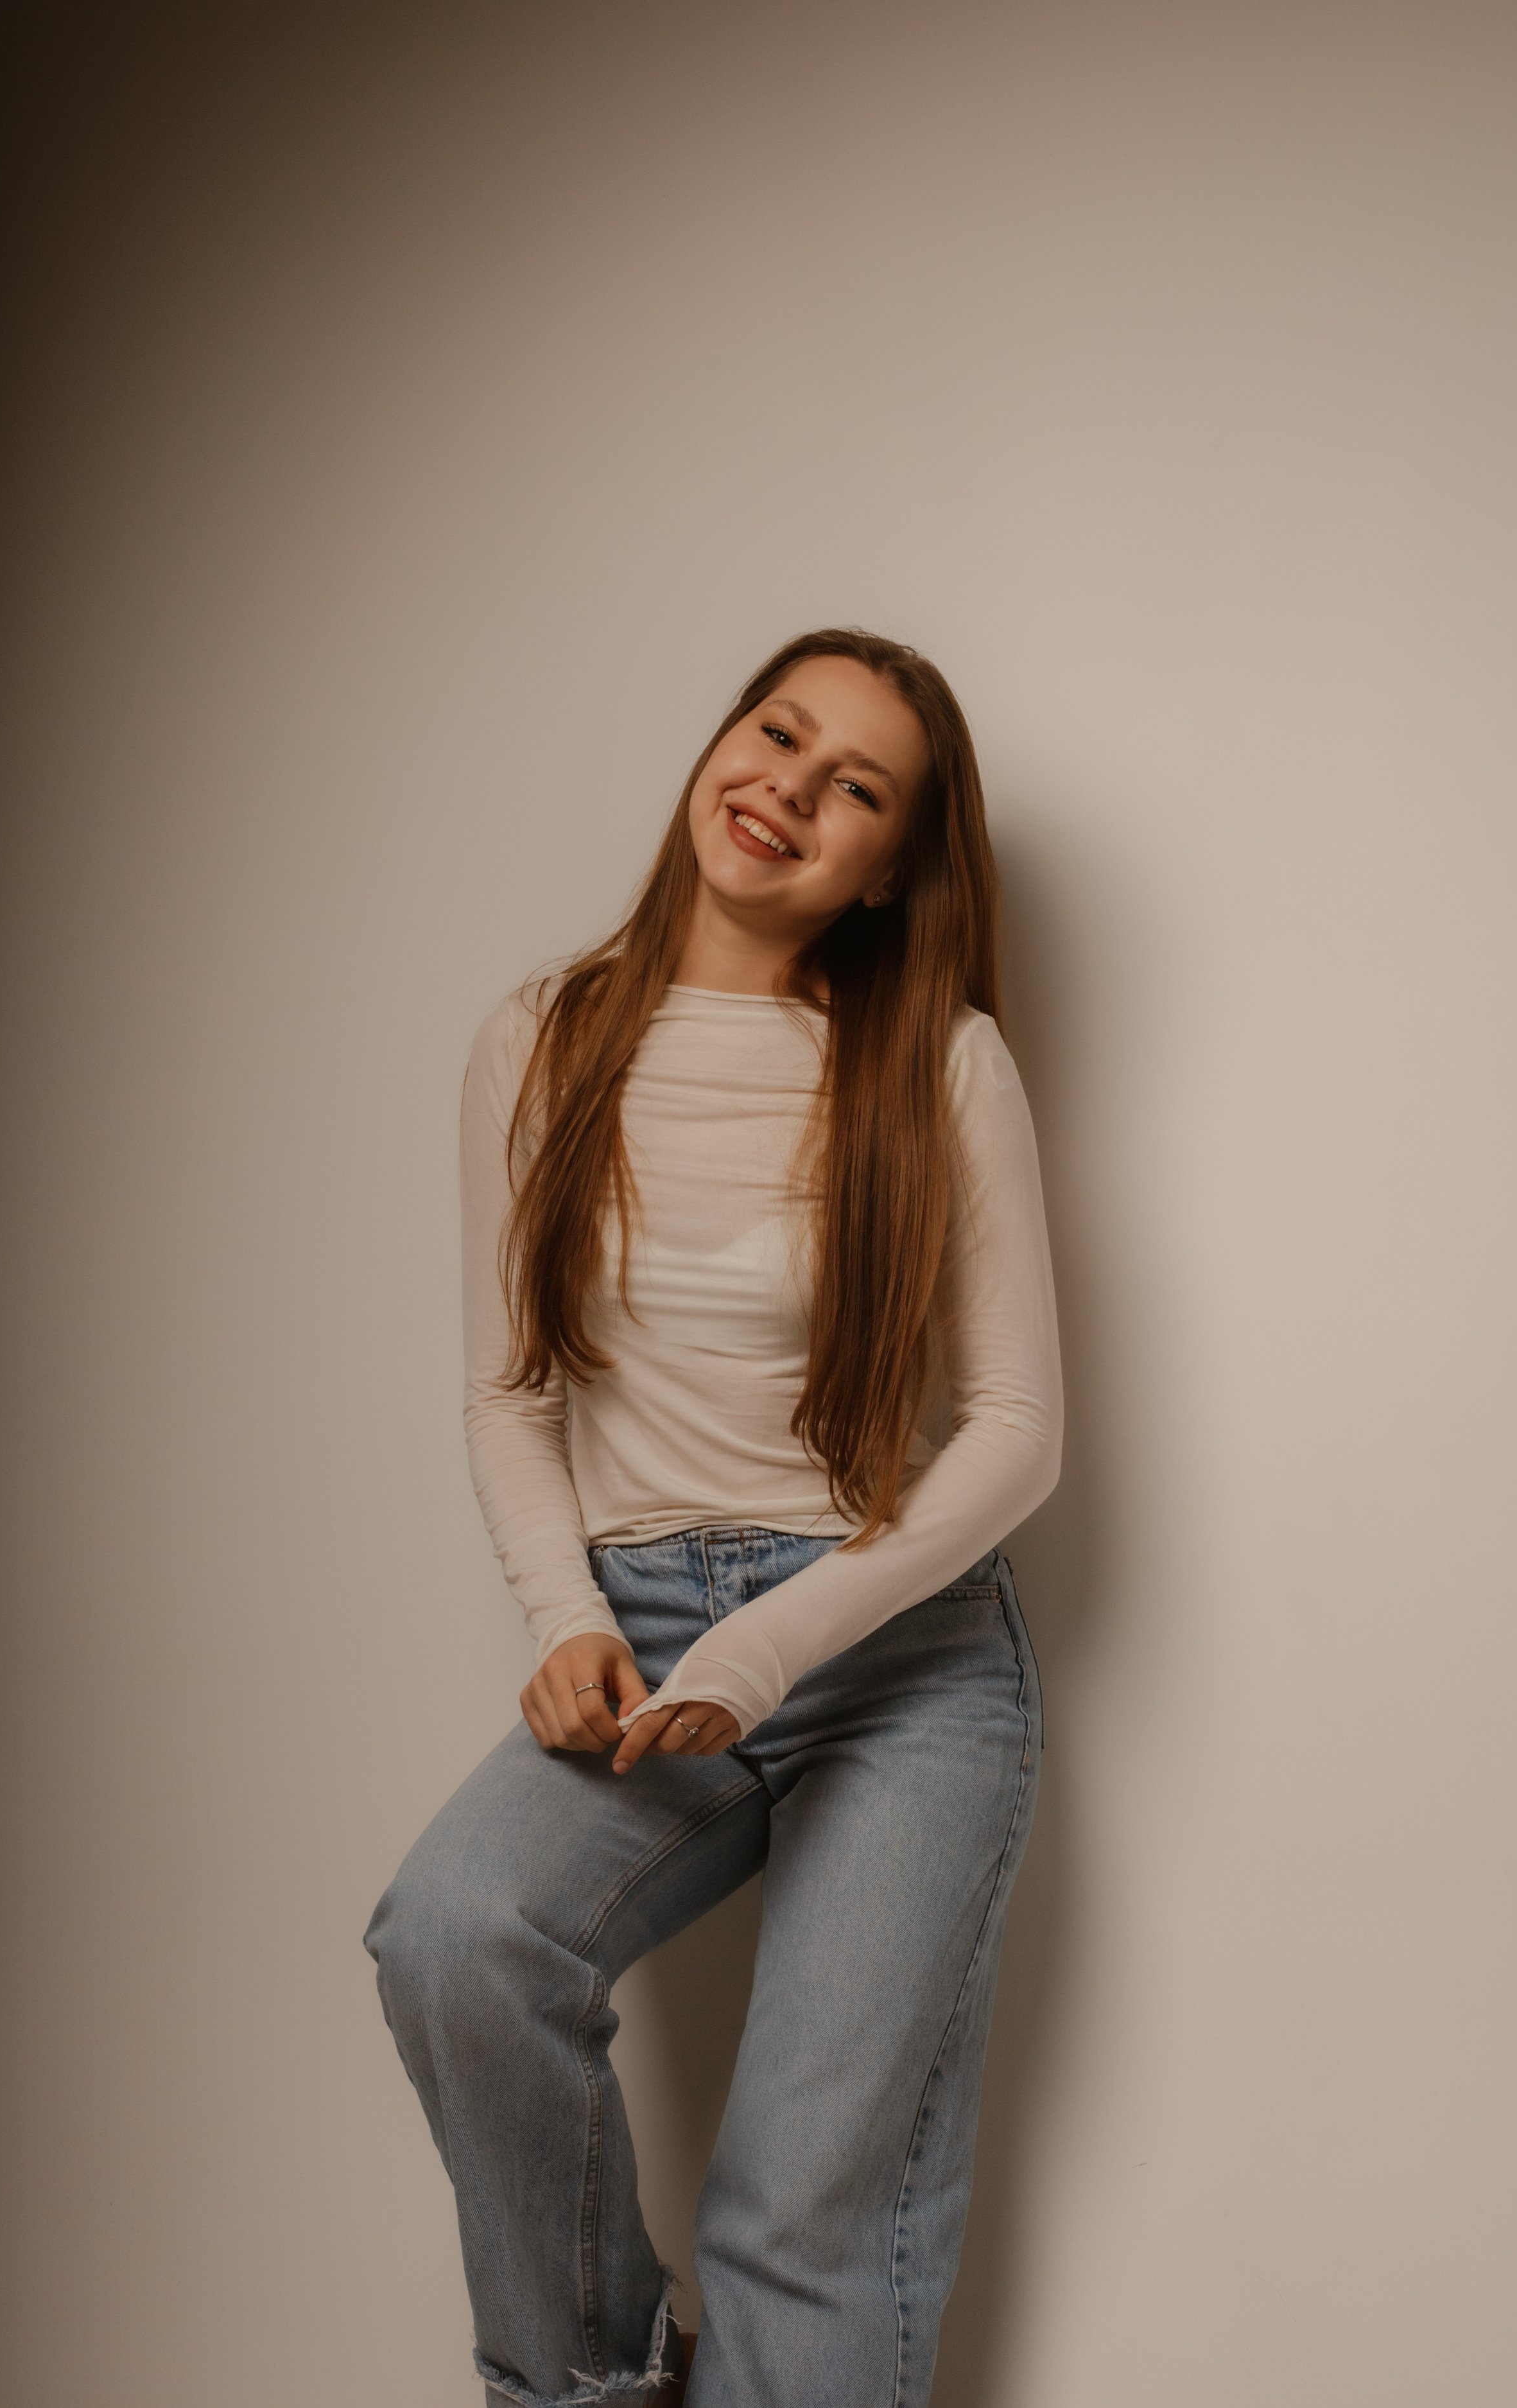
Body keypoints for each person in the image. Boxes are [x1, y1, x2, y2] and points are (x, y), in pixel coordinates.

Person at [364, 628, 1064, 2408]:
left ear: (888, 866)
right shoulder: (544, 1036)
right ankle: (599, 2390)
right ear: (719, 742)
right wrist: (569, 1620)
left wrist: (764, 1650)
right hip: (649, 1642)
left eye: (856, 789)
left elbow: (1015, 1437)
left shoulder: (940, 1061)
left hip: (897, 1662)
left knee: (798, 2207)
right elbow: (513, 1391)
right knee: (459, 1938)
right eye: (777, 734)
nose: (788, 792)